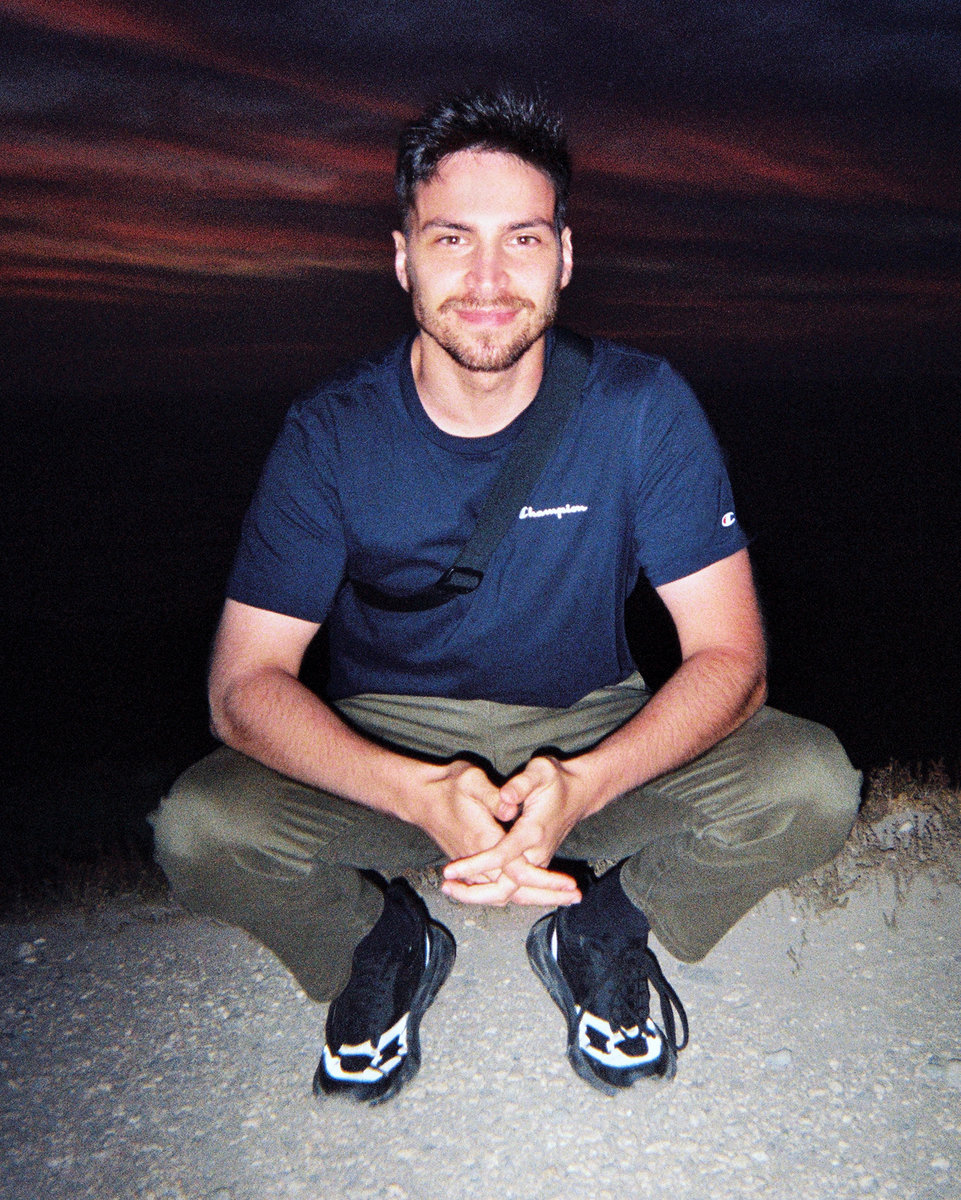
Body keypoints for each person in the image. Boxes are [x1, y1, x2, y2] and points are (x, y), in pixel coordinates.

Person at [151, 89, 861, 1104]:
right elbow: (242, 687)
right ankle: (379, 941)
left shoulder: (640, 408)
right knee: (199, 829)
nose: (487, 279)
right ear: (403, 258)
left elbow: (731, 659)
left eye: (521, 239)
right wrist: (414, 792)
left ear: (563, 257)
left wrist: (587, 782)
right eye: (452, 239)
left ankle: (603, 926)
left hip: (591, 727)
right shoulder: (331, 433)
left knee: (809, 783)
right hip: (390, 744)